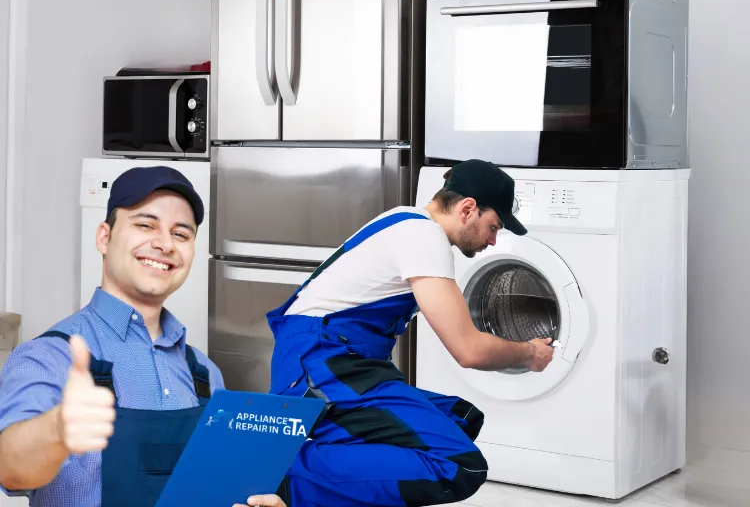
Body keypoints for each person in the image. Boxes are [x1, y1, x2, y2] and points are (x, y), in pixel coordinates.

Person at [266, 158, 554, 507]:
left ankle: (319, 474)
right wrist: (529, 352)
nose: (493, 241)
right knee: (459, 465)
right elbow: (469, 350)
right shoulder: (422, 235)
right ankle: (284, 473)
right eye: (493, 227)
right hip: (320, 363)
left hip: (341, 363)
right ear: (467, 209)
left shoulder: (407, 222)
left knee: (459, 418)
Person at [0, 166, 284, 507]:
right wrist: (57, 429)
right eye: (145, 224)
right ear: (104, 237)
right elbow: (9, 469)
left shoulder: (206, 375)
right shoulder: (48, 357)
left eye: (181, 234)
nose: (165, 244)